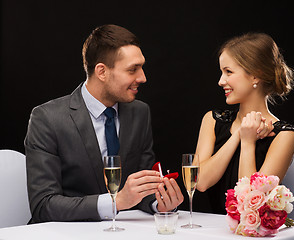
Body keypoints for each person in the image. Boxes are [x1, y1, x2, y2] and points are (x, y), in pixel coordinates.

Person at [24, 24, 183, 223]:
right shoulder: (47, 119)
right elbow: (43, 205)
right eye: (133, 69)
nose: (143, 77)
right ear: (102, 72)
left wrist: (158, 203)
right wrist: (115, 202)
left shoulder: (140, 112)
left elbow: (143, 190)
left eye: (141, 67)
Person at [195, 33, 294, 214]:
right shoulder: (211, 120)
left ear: (255, 76)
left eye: (228, 72)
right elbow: (201, 182)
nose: (221, 81)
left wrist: (248, 142)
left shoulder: (284, 136)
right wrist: (239, 134)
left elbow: (252, 204)